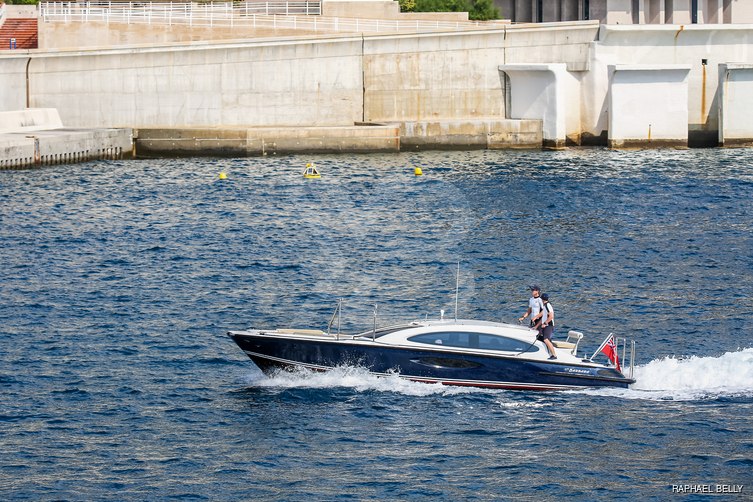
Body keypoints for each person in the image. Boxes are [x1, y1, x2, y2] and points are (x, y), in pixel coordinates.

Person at [539, 293, 557, 360]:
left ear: (542, 299)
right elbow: (543, 317)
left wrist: (545, 323)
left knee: (546, 339)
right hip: (546, 325)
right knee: (544, 339)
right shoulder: (545, 306)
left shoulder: (548, 305)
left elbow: (551, 316)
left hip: (549, 325)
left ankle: (554, 355)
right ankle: (549, 353)